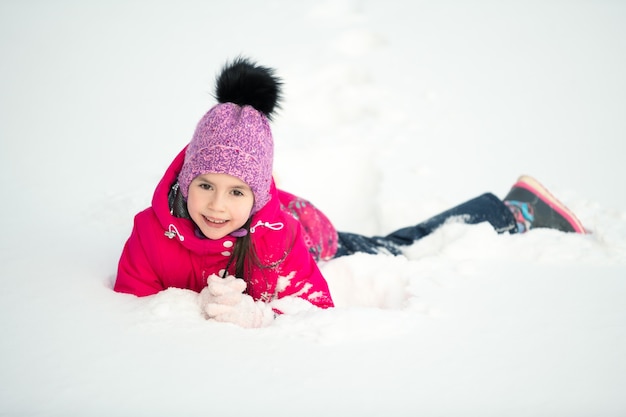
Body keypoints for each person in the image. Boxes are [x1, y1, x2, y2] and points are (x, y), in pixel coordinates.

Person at [115, 57, 586, 328]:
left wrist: (253, 315)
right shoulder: (149, 234)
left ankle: (511, 213)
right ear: (184, 181)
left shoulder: (276, 236)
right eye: (205, 186)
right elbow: (131, 304)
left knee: (397, 249)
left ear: (256, 198)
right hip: (283, 209)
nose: (217, 205)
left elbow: (315, 304)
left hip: (308, 227)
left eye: (237, 192)